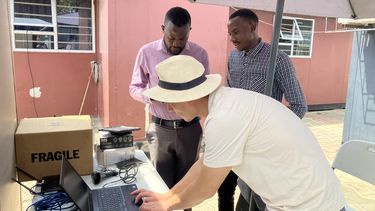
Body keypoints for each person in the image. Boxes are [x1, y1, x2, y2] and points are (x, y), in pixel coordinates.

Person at [131, 55, 346, 211]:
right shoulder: (227, 102)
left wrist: (167, 206)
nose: (169, 109)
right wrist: (167, 196)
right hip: (305, 199)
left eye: (171, 102)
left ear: (188, 96)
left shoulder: (224, 118)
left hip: (310, 205)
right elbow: (205, 164)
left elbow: (205, 189)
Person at [220, 8, 308, 211]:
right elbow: (231, 95)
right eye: (229, 33)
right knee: (225, 190)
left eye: (236, 32)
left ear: (252, 27)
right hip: (234, 140)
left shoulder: (277, 59)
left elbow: (299, 105)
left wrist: (273, 133)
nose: (232, 38)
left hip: (262, 148)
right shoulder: (233, 57)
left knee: (258, 199)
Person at [129, 7, 210, 211]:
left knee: (187, 187)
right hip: (159, 130)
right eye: (171, 37)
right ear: (163, 28)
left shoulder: (200, 54)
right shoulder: (146, 52)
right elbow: (134, 87)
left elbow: (205, 90)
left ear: (190, 31)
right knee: (159, 186)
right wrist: (152, 98)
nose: (176, 43)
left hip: (190, 130)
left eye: (182, 39)